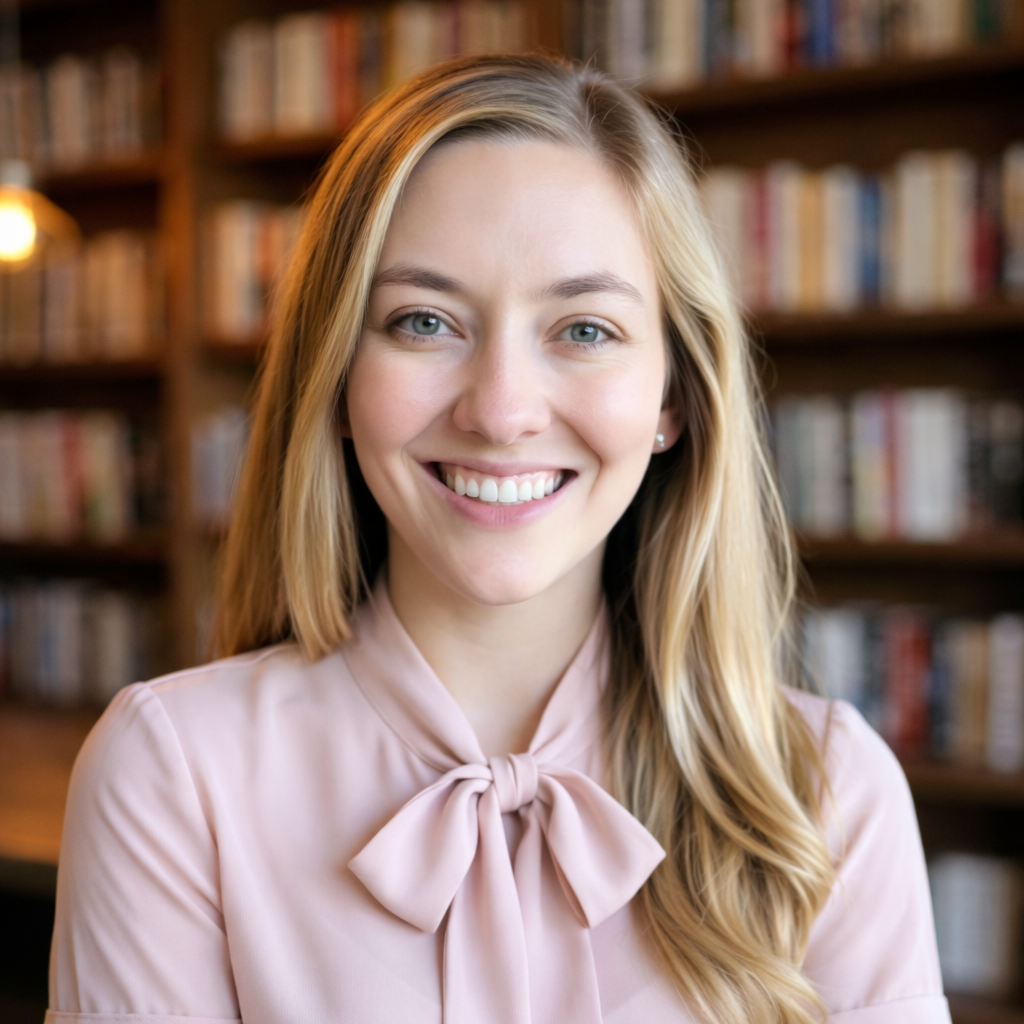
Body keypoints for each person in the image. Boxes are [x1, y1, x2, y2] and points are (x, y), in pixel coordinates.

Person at [46, 55, 948, 1024]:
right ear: (337, 376)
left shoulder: (825, 790)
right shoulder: (173, 772)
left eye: (585, 329)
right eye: (424, 321)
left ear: (673, 396)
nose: (501, 409)